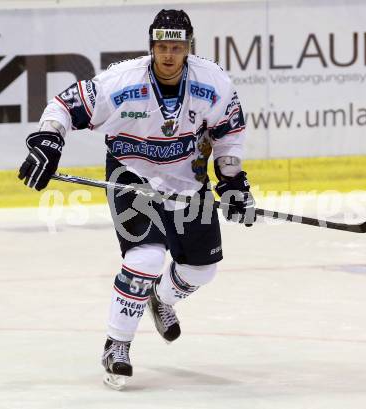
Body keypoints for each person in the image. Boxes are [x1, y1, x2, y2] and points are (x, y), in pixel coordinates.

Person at [18, 9, 255, 390]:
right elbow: (63, 106)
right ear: (151, 47)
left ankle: (160, 298)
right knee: (145, 257)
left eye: (177, 47)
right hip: (132, 175)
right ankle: (117, 344)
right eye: (162, 46)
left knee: (201, 270)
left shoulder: (214, 82)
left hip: (186, 181)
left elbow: (229, 132)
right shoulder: (122, 81)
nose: (168, 55)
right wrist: (49, 141)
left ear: (189, 48)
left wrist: (231, 181)